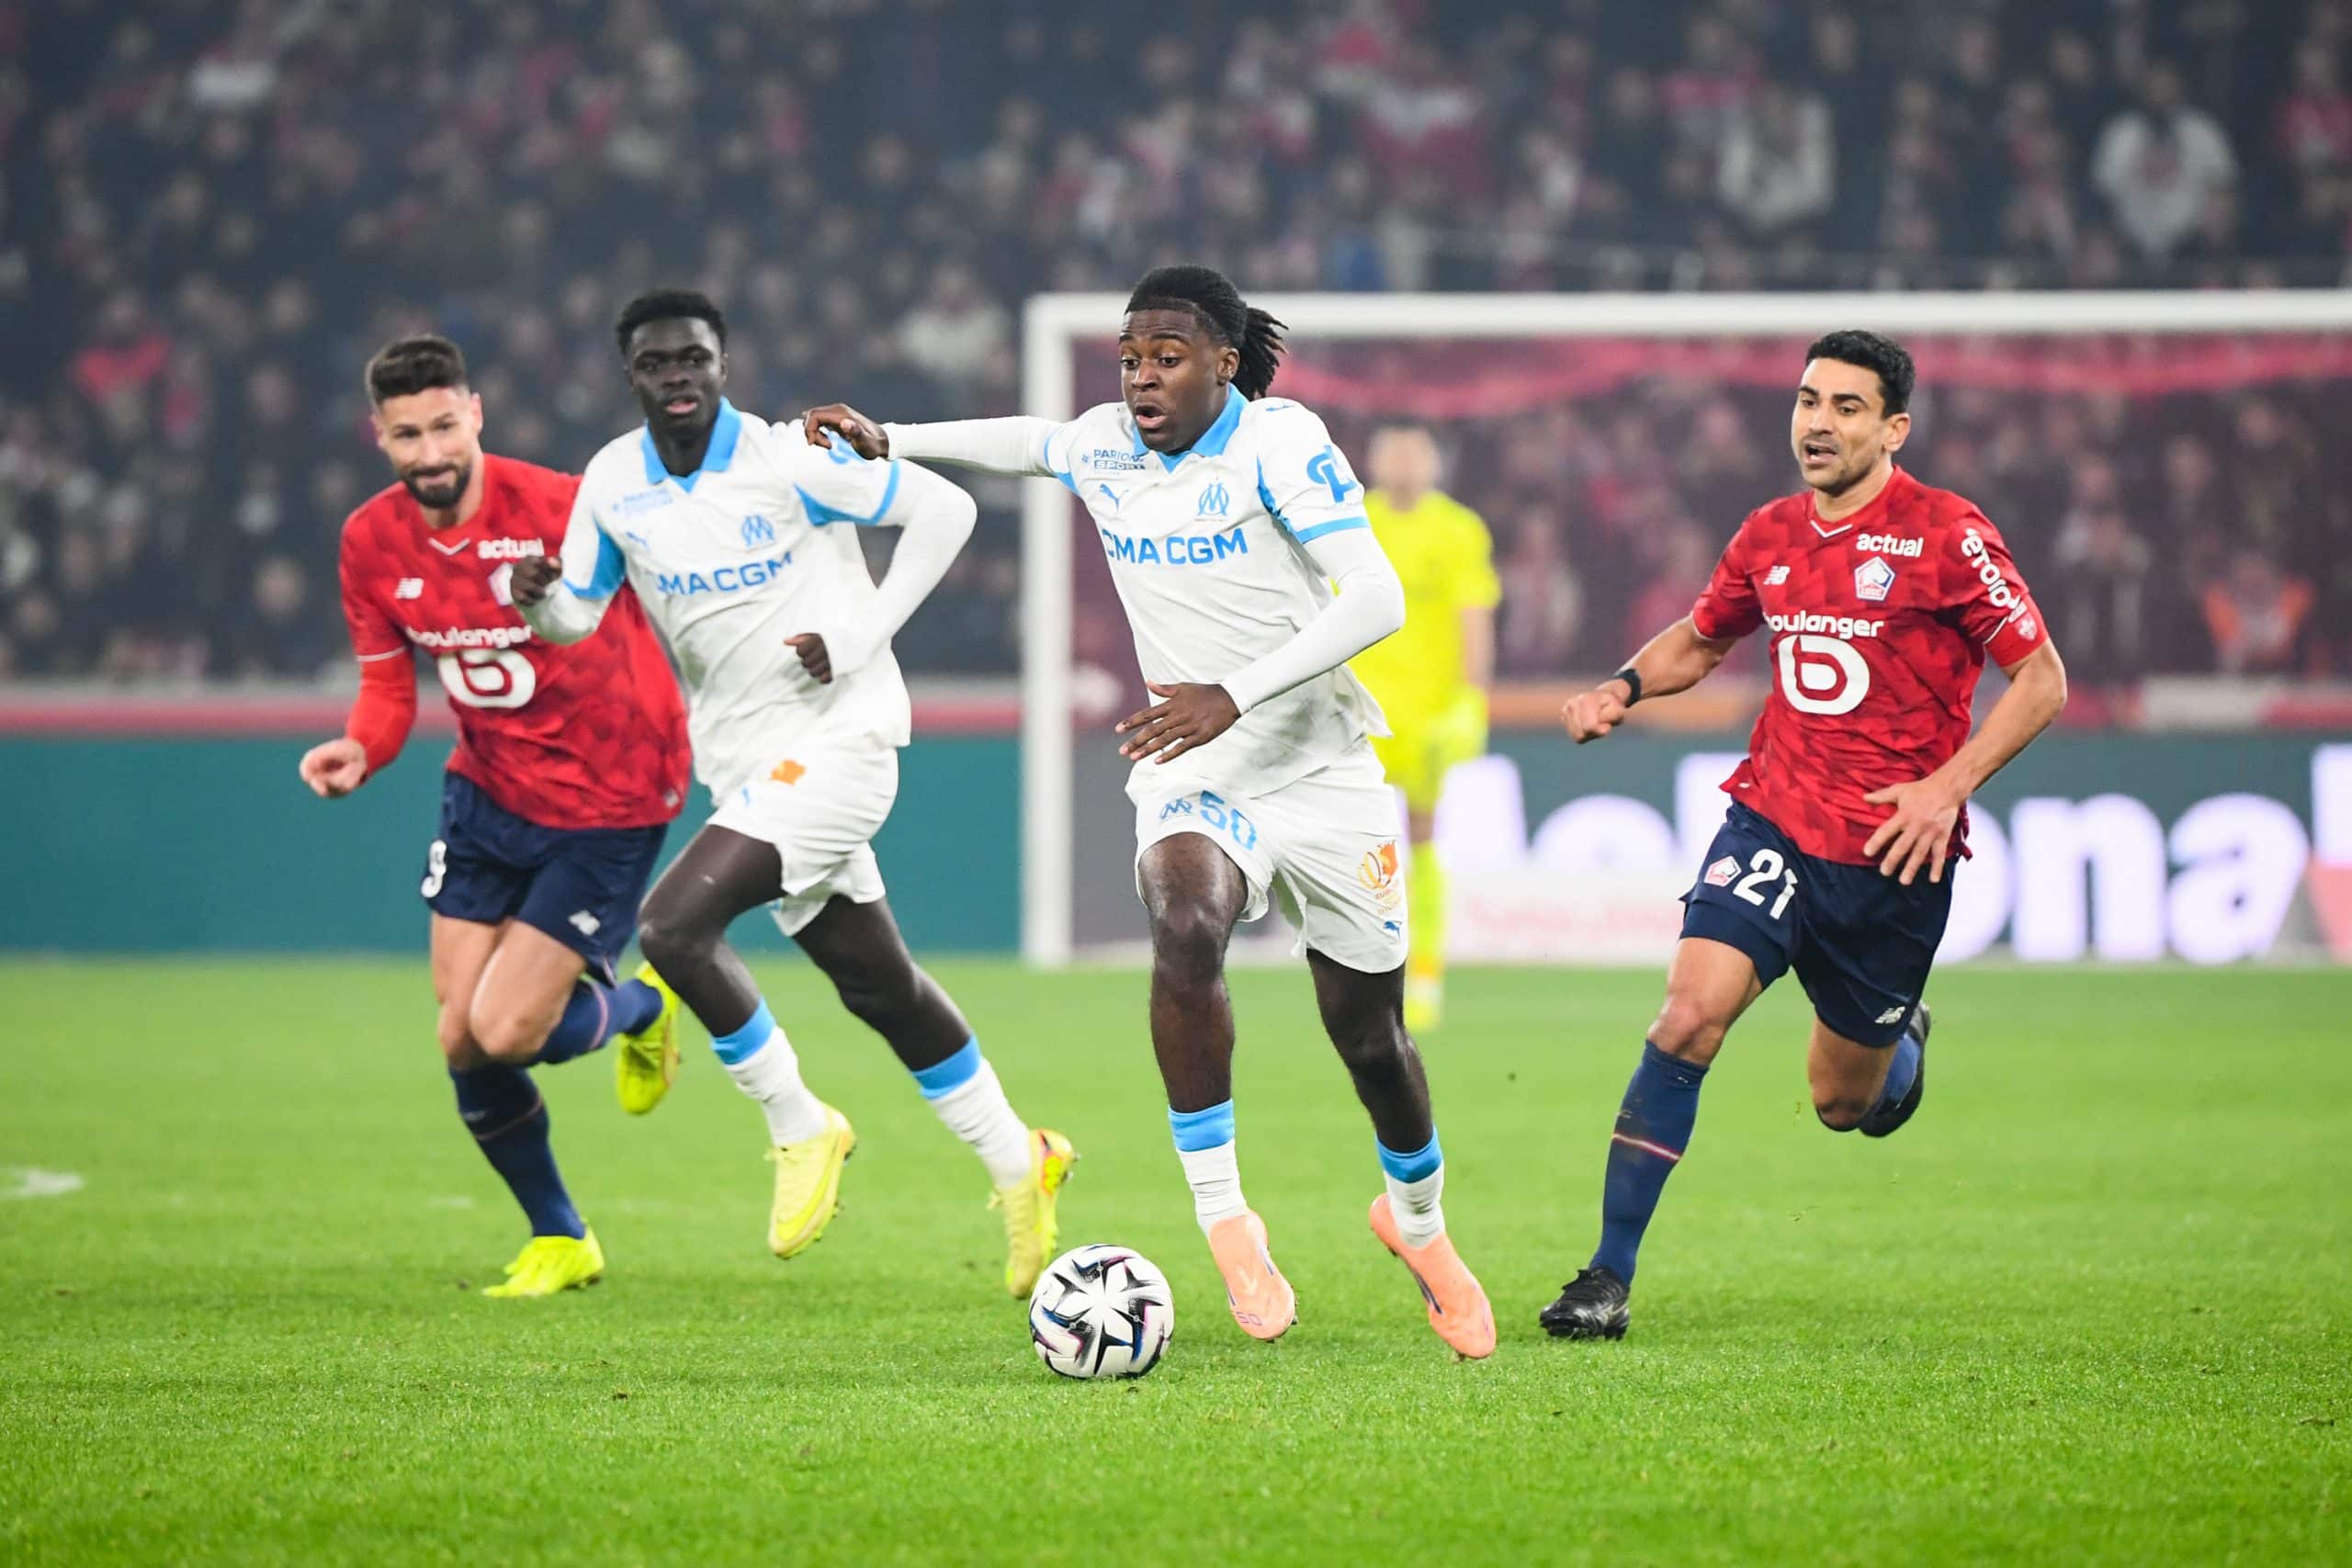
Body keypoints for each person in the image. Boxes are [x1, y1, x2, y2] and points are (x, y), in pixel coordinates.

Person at [805, 264, 1495, 1359]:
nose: (1141, 379)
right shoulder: (1108, 447)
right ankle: (1226, 1217)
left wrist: (1234, 692)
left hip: (1321, 768)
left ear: (1224, 364)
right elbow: (1029, 441)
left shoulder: (1281, 442)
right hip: (1194, 770)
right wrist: (891, 434)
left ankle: (1418, 1227)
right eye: (1129, 359)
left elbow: (1376, 598)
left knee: (1368, 1036)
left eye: (1166, 357)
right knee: (1182, 925)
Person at [511, 288, 1074, 1296]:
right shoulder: (611, 481)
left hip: (843, 741)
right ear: (630, 374)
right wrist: (539, 602)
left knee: (673, 928)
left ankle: (798, 1122)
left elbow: (948, 508)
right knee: (879, 987)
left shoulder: (787, 459)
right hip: (743, 761)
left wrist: (864, 633)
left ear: (722, 362)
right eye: (656, 364)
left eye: (694, 359)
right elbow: (578, 614)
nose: (677, 378)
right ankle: (1016, 1160)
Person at [1539, 330, 2068, 1341]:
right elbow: (1703, 637)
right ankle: (1605, 1276)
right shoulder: (1770, 533)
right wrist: (1624, 684)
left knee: (1842, 1104)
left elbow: (2039, 681)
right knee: (1686, 1018)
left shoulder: (1949, 535)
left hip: (1890, 858)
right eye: (1806, 400)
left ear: (1894, 428)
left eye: (1846, 407)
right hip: (1774, 819)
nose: (1817, 423)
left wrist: (1946, 789)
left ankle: (1897, 1045)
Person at [300, 334, 691, 1298]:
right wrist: (362, 747)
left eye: (443, 426)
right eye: (406, 435)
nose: (429, 451)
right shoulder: (369, 542)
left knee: (509, 1030)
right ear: (379, 438)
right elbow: (389, 686)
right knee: (459, 1035)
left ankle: (642, 1003)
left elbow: (684, 590)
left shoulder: (564, 506)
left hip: (611, 795)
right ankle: (561, 1236)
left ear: (474, 415)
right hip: (486, 793)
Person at [1349, 423, 1499, 1033]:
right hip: (1357, 708)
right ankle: (1361, 970)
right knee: (1351, 842)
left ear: (1435, 462)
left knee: (1421, 838)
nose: (1405, 464)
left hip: (1427, 714)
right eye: (1394, 452)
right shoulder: (1352, 521)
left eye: (1416, 453)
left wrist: (1471, 698)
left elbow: (1474, 616)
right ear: (1375, 459)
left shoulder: (1459, 529)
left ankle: (1425, 976)